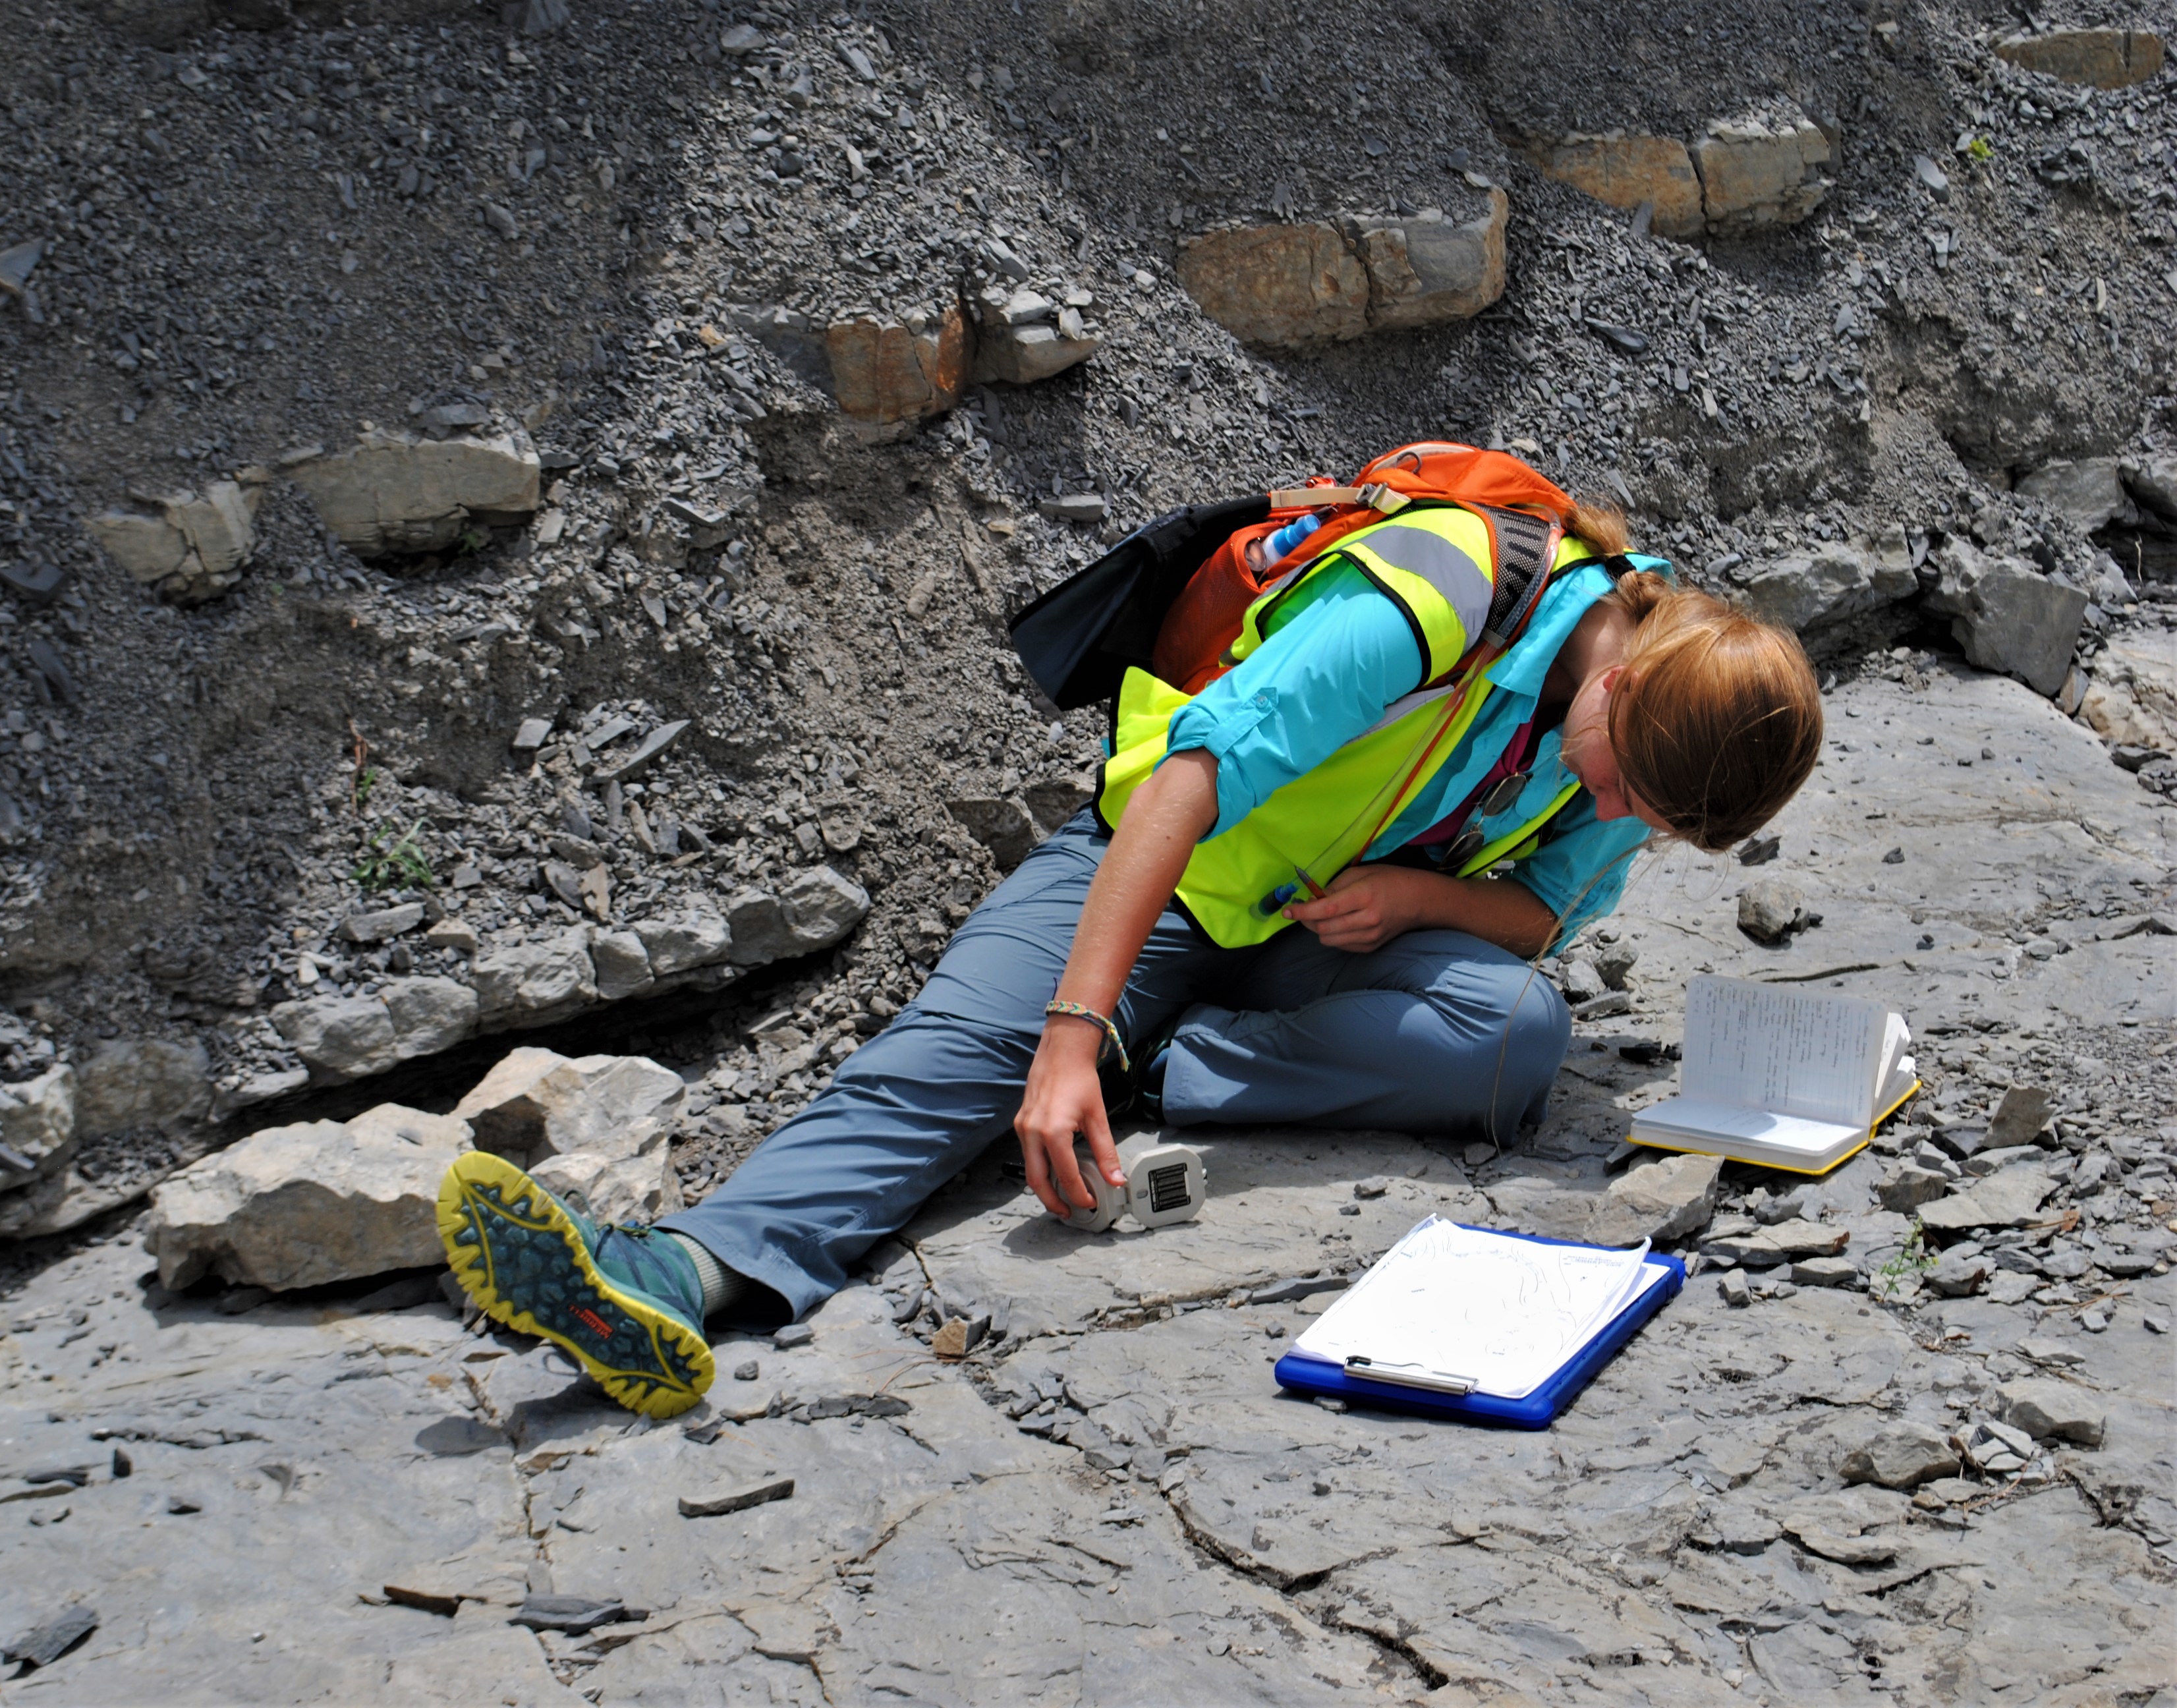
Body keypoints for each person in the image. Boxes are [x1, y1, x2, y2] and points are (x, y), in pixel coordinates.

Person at [436, 491, 1824, 1418]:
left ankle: (1152, 1066)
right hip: (1157, 877)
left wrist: (1415, 899)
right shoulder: (1447, 588)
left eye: (1647, 819)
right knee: (959, 1058)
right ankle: (676, 1275)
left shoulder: (1642, 735)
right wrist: (1060, 1031)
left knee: (1517, 1035)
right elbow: (1186, 777)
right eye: (1625, 784)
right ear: (1630, 675)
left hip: (1311, 942)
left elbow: (1542, 920)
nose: (1617, 817)